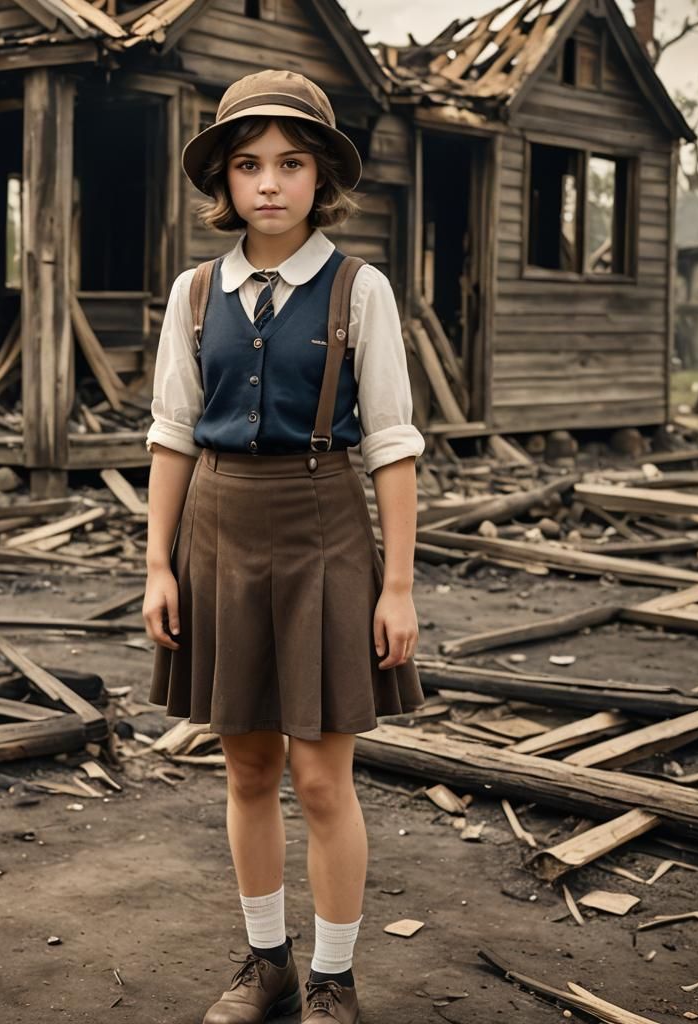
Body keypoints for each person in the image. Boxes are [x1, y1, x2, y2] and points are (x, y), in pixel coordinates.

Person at [141, 69, 425, 1024]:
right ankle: (267, 966)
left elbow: (391, 444)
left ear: (320, 177)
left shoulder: (359, 288)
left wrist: (397, 586)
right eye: (249, 164)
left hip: (324, 530)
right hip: (218, 534)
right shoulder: (192, 295)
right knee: (249, 769)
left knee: (320, 777)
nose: (269, 182)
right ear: (224, 180)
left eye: (291, 163)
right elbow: (172, 436)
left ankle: (334, 981)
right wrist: (157, 565)